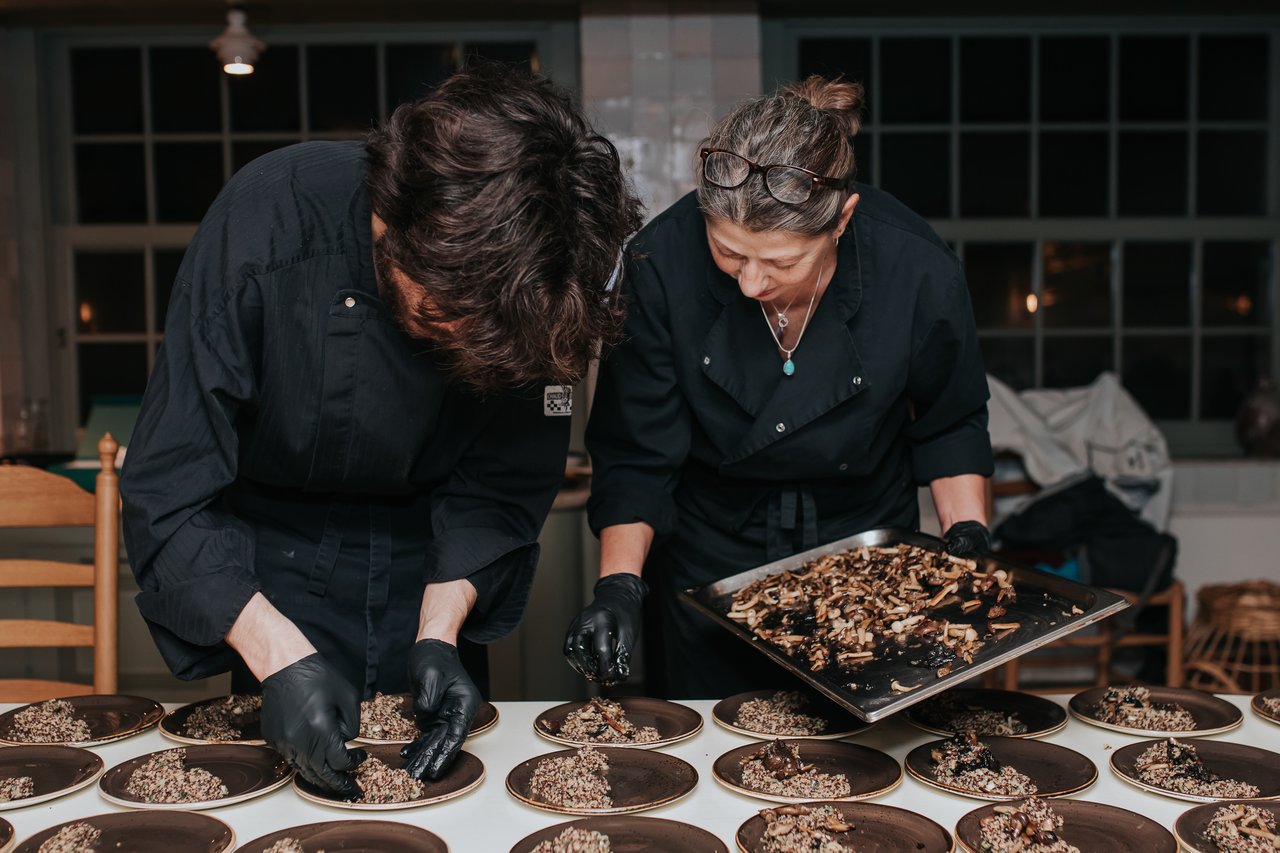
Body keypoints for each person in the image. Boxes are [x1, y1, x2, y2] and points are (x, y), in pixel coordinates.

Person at [121, 64, 641, 796]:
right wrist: (278, 658)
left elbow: (500, 483)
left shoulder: (528, 283)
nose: (461, 346)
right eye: (442, 319)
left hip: (432, 558)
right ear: (394, 225)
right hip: (271, 577)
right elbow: (166, 490)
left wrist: (439, 631)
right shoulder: (268, 217)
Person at [564, 77, 994, 698]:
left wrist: (968, 543)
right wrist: (619, 587)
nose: (750, 284)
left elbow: (950, 423)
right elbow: (637, 454)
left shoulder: (915, 268)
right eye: (729, 253)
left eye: (782, 263)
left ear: (842, 219)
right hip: (712, 554)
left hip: (863, 548)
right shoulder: (661, 265)